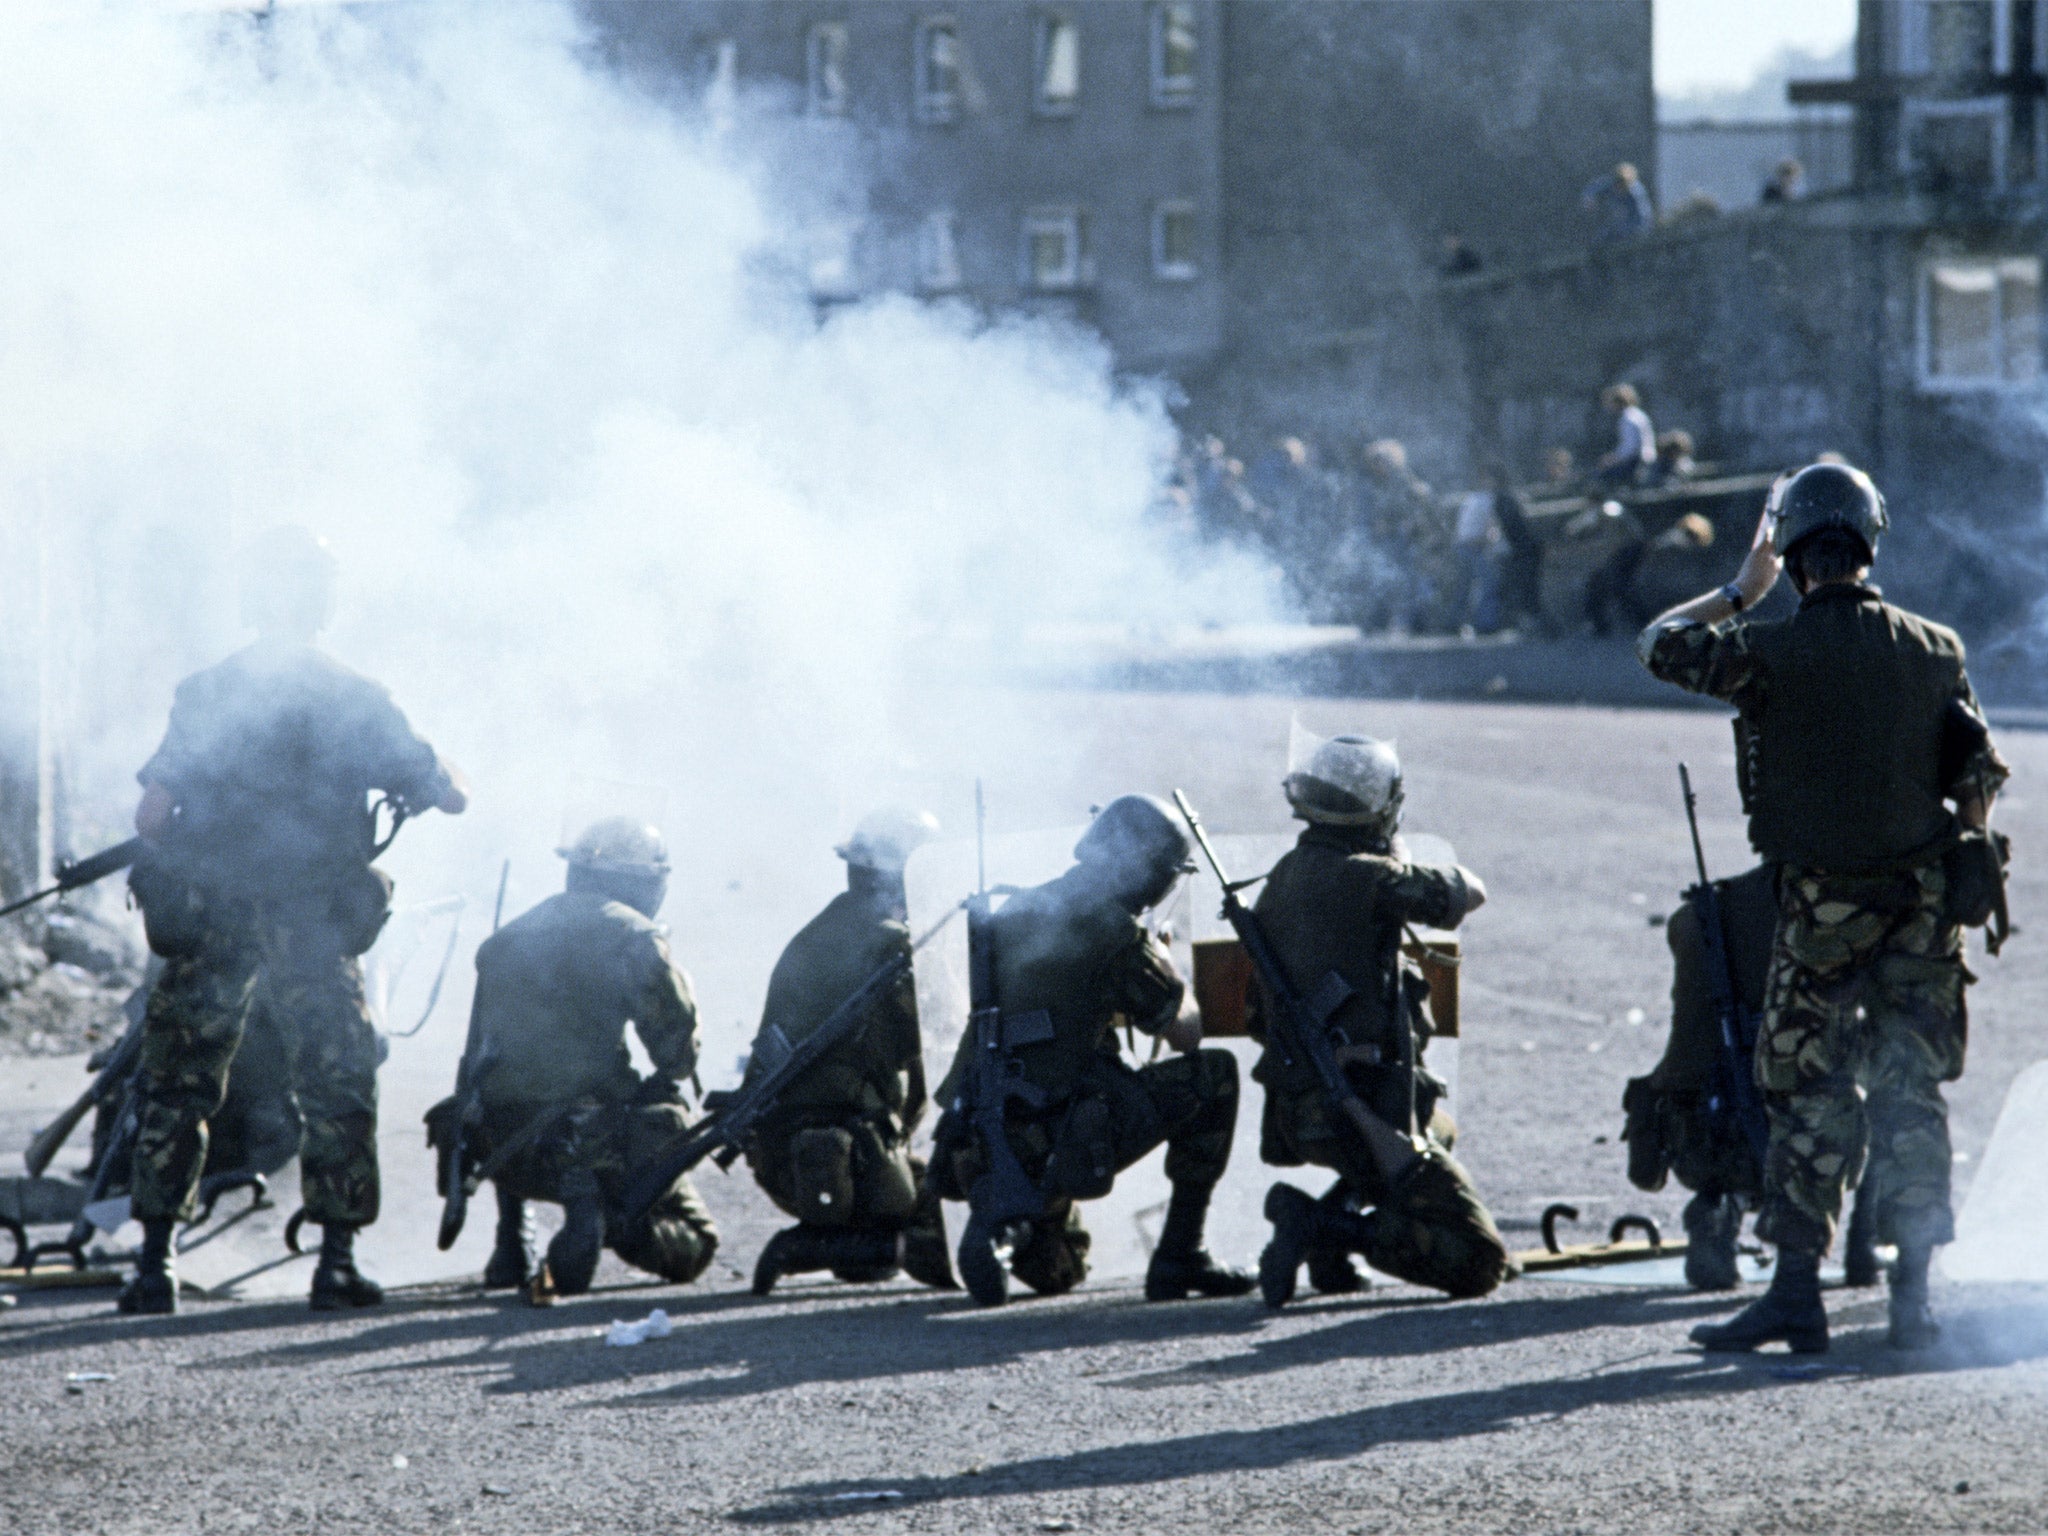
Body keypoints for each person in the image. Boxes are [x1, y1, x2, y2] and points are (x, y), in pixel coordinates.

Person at [1638, 461, 2009, 1352]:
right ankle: (1911, 1301)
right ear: (1871, 542)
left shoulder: (1767, 651)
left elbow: (1659, 643)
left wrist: (1740, 589)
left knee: (1808, 1094)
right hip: (1922, 916)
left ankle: (1797, 1291)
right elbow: (1978, 771)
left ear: (1797, 555)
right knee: (1912, 1097)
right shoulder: (1936, 648)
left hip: (1820, 918)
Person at [119, 527, 469, 1316]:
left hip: (214, 914)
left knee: (179, 1083)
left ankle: (152, 1265)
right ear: (320, 599)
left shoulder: (207, 691)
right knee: (336, 1080)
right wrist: (435, 775)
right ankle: (336, 1262)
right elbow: (446, 793)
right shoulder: (355, 698)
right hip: (309, 920)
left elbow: (152, 813)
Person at [931, 795, 1253, 1307]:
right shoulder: (1115, 932)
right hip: (1056, 1133)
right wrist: (1167, 965)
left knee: (1063, 1270)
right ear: (1152, 876)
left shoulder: (1019, 907)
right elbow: (1186, 1034)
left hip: (979, 1135)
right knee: (1215, 1075)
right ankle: (1181, 1253)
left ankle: (999, 1227)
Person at [1251, 733, 1513, 1306]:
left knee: (1438, 1127)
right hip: (1352, 1110)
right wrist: (1397, 864)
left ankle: (1325, 1241)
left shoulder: (1286, 874)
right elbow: (1471, 893)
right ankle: (1327, 1228)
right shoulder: (1367, 877)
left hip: (1300, 1108)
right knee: (1480, 1262)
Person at [432, 817, 718, 1299]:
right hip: (586, 1146)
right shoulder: (633, 936)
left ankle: (512, 1242)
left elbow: (482, 1064)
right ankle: (602, 1222)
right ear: (643, 882)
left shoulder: (508, 938)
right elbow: (676, 1059)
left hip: (500, 1150)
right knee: (696, 1243)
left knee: (513, 1082)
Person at [1623, 862, 1885, 1292]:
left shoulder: (1701, 915)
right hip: (1813, 1149)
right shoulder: (1841, 913)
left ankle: (1720, 1206)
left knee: (1724, 1072)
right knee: (1888, 1087)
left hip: (1702, 1143)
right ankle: (1863, 1240)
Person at [744, 808, 956, 1295]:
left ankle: (846, 1235)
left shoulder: (816, 932)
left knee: (875, 1258)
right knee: (960, 1226)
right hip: (849, 1155)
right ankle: (838, 1244)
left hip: (787, 1157)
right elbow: (945, 1032)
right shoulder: (894, 944)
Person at [1488, 464, 1546, 634]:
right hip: (1522, 549)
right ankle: (1532, 624)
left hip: (1523, 550)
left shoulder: (1503, 499)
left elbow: (1513, 528)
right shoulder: (1507, 497)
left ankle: (1540, 627)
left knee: (1527, 590)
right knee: (1525, 589)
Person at [1450, 484, 1500, 635]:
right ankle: (1485, 623)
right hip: (1475, 546)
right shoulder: (1487, 499)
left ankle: (1454, 622)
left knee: (1463, 587)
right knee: (1488, 584)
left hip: (1463, 545)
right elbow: (1489, 527)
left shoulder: (1471, 498)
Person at [1595, 384, 1656, 488]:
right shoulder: (1639, 414)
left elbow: (1630, 448)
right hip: (1649, 458)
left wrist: (1612, 459)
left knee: (1601, 475)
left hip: (1636, 462)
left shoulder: (1627, 419)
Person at [1582, 161, 1652, 241]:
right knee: (1600, 238)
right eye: (1617, 184)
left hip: (1630, 228)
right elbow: (1591, 190)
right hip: (1610, 221)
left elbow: (1643, 220)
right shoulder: (1609, 183)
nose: (1619, 188)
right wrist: (1589, 199)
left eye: (1622, 185)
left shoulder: (1636, 195)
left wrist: (1630, 231)